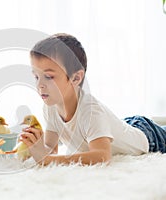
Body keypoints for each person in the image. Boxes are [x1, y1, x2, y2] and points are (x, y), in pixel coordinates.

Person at [21, 33, 166, 166]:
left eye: (49, 77)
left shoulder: (90, 111)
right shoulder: (50, 106)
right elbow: (51, 150)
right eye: (36, 76)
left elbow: (102, 156)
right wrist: (36, 147)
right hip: (122, 127)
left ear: (76, 78)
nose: (39, 85)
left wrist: (47, 159)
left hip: (149, 137)